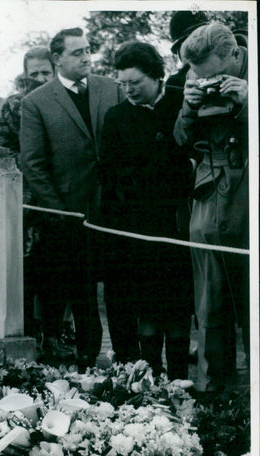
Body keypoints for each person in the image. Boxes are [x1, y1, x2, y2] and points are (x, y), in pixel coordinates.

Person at [20, 27, 125, 370]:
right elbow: (33, 164)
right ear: (57, 58)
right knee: (81, 291)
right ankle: (87, 358)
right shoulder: (36, 102)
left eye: (88, 50)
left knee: (120, 286)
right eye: (77, 52)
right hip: (68, 213)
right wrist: (60, 212)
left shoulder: (110, 88)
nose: (86, 57)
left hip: (114, 207)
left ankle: (127, 357)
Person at [99, 41, 193, 380]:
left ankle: (180, 379)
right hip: (139, 228)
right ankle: (152, 379)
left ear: (155, 75)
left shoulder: (182, 102)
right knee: (149, 306)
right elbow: (110, 172)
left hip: (180, 224)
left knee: (179, 307)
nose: (128, 90)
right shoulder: (116, 117)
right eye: (122, 83)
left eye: (135, 82)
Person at [173, 22, 249, 393]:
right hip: (209, 194)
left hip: (249, 191)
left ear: (235, 54)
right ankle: (214, 395)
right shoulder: (193, 77)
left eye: (214, 76)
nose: (207, 82)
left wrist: (248, 100)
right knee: (210, 302)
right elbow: (180, 141)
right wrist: (189, 106)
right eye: (200, 77)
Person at [0, 46, 56, 347]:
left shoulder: (64, 100)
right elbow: (2, 147)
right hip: (27, 201)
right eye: (35, 73)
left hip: (60, 198)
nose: (40, 78)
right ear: (24, 73)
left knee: (56, 271)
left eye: (46, 72)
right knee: (28, 270)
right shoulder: (15, 105)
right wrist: (30, 163)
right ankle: (29, 336)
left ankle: (55, 335)